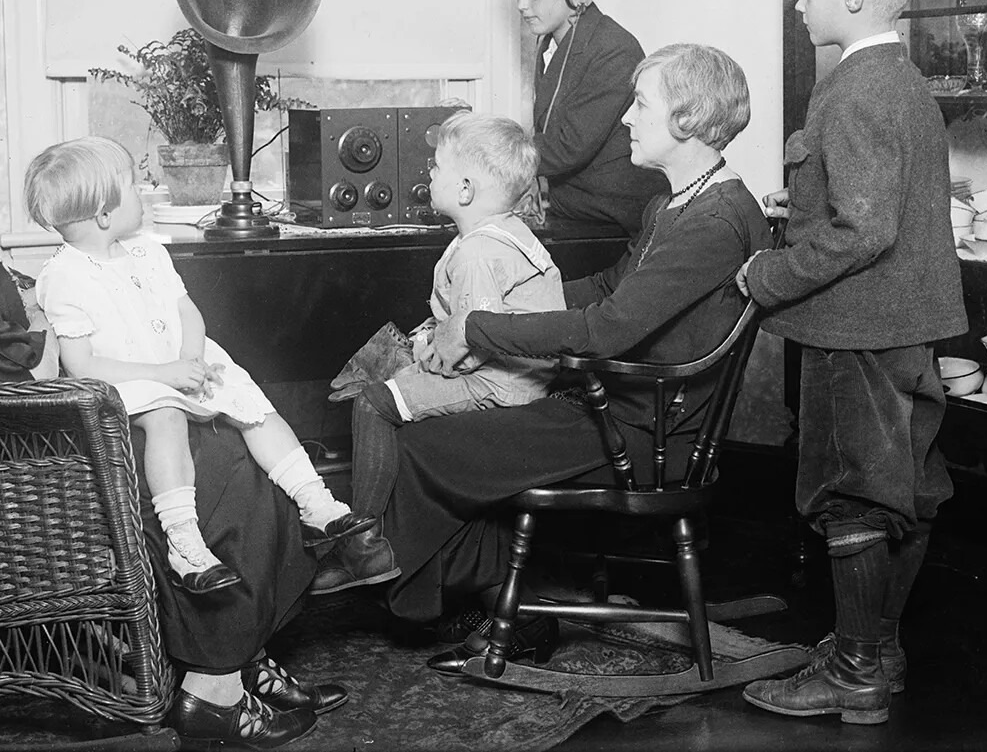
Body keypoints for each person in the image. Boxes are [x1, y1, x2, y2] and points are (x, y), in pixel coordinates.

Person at [0, 36, 335, 749]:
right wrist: (57, 324)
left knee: (219, 409)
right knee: (218, 447)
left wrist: (45, 315)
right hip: (14, 458)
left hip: (8, 424)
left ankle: (238, 655)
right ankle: (216, 685)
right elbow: (14, 376)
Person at [325, 45, 771, 673]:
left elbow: (608, 328)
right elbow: (608, 290)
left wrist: (481, 329)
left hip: (648, 431)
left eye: (641, 104)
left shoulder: (712, 222)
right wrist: (513, 305)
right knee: (437, 431)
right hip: (622, 410)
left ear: (688, 119)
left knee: (427, 445)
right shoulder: (673, 205)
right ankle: (496, 603)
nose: (626, 120)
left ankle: (485, 604)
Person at [736, 0, 967, 726]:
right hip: (908, 326)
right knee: (910, 488)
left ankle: (856, 670)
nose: (799, 6)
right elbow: (877, 206)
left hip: (854, 331)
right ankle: (880, 649)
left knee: (852, 496)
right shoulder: (902, 81)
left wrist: (770, 272)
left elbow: (864, 227)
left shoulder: (851, 91)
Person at [25, 136, 374, 595]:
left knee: (252, 405)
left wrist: (191, 357)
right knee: (165, 417)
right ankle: (184, 542)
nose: (143, 195)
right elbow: (82, 362)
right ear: (105, 214)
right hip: (130, 379)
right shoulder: (64, 276)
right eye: (133, 187)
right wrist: (164, 374)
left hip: (182, 360)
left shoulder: (149, 251)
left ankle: (316, 503)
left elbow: (186, 309)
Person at [312, 113, 565, 594]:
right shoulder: (503, 234)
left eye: (436, 168)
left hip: (502, 385)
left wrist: (425, 352)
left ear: (465, 189)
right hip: (514, 376)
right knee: (386, 382)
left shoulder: (478, 253)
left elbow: (474, 344)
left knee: (373, 403)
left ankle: (364, 544)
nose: (428, 175)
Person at [505, 0, 668, 236]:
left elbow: (567, 148)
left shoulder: (614, 49)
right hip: (571, 207)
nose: (522, 5)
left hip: (611, 223)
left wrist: (491, 155)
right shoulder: (550, 43)